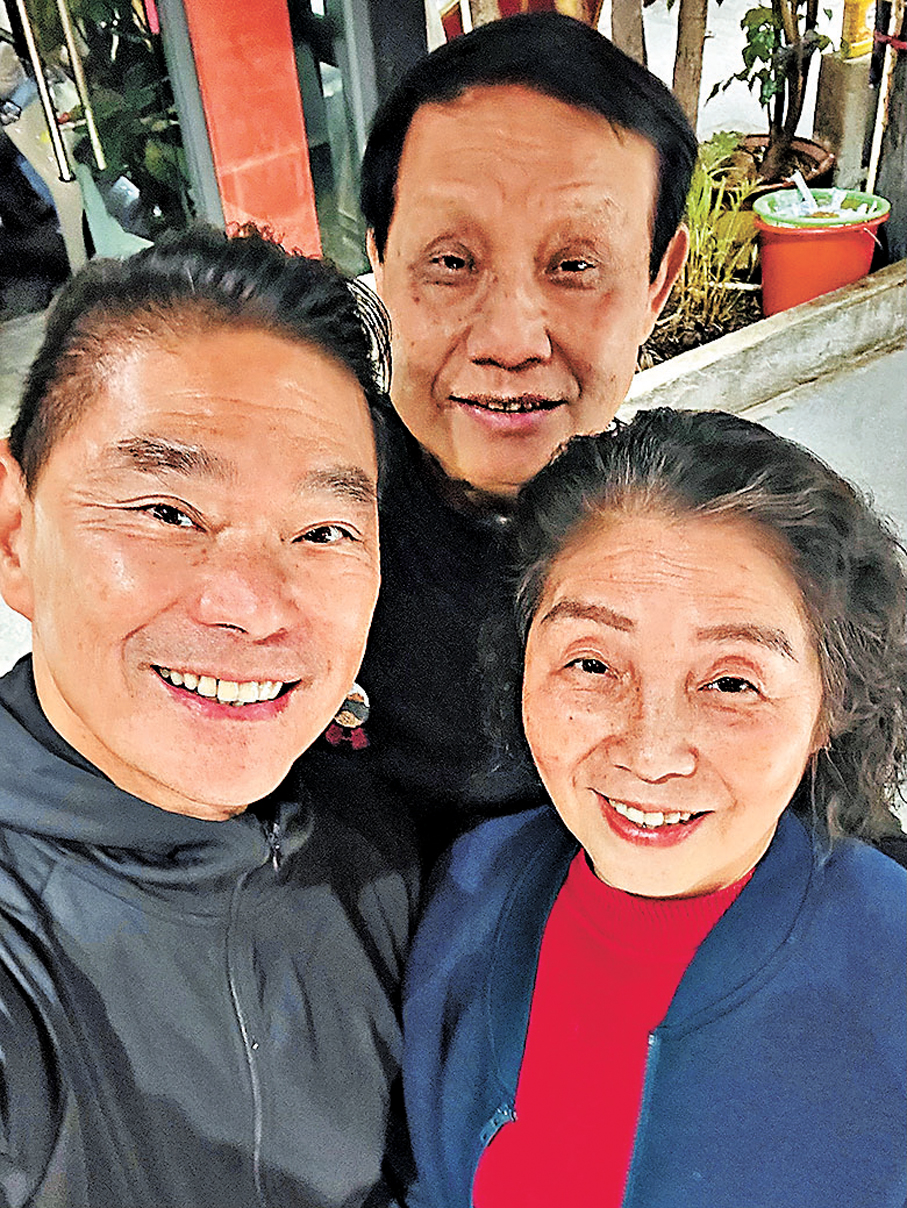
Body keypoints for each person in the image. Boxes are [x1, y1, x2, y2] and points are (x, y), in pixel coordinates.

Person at [0, 227, 417, 1208]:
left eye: (323, 530)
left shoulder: (372, 838)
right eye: (166, 512)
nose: (255, 606)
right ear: (15, 534)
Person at [402, 408, 907, 1208]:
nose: (649, 753)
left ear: (830, 707)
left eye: (731, 682)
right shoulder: (472, 886)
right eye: (591, 664)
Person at [318, 12, 698, 857]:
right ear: (380, 259)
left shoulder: (721, 544)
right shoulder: (275, 524)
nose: (510, 340)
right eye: (451, 263)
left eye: (575, 266)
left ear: (657, 281)